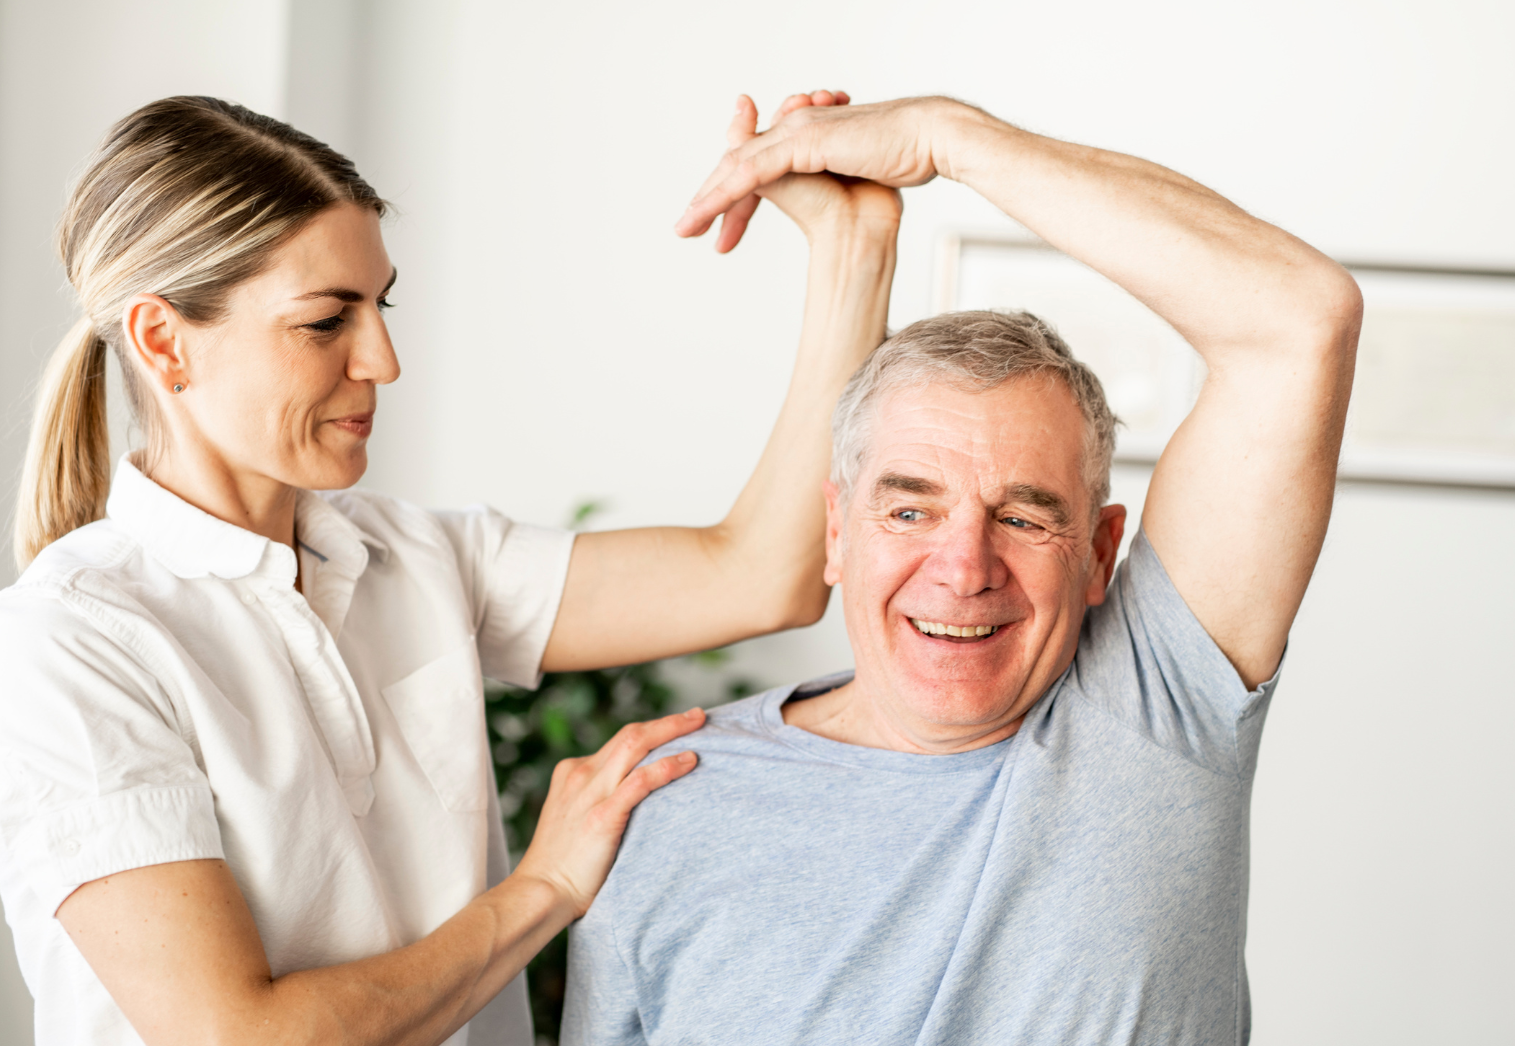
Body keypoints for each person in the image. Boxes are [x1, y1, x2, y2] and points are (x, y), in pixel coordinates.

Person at [0, 90, 901, 1046]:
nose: (385, 359)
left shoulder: (416, 559)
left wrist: (851, 248)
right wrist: (545, 886)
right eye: (327, 321)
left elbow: (761, 574)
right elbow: (241, 1036)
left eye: (381, 305)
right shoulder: (64, 646)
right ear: (165, 341)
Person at [563, 96, 1364, 1044]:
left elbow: (1299, 318)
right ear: (837, 531)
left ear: (1101, 553)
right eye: (910, 509)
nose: (964, 565)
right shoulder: (666, 800)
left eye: (1024, 517)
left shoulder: (1156, 709)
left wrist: (944, 136)